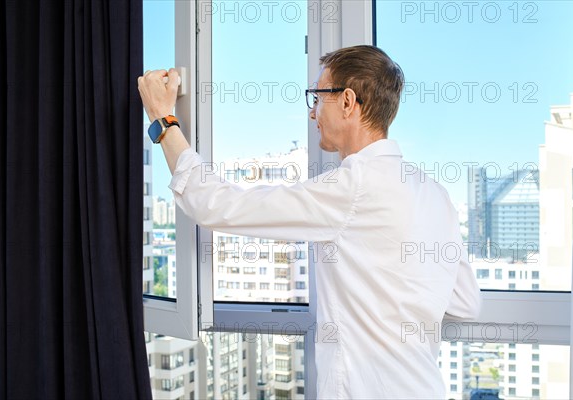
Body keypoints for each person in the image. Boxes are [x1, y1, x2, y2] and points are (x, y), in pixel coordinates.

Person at [138, 45, 481, 399]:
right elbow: (466, 302)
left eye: (317, 98)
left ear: (348, 102)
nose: (312, 113)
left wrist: (164, 120)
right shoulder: (435, 194)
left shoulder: (352, 188)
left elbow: (215, 204)